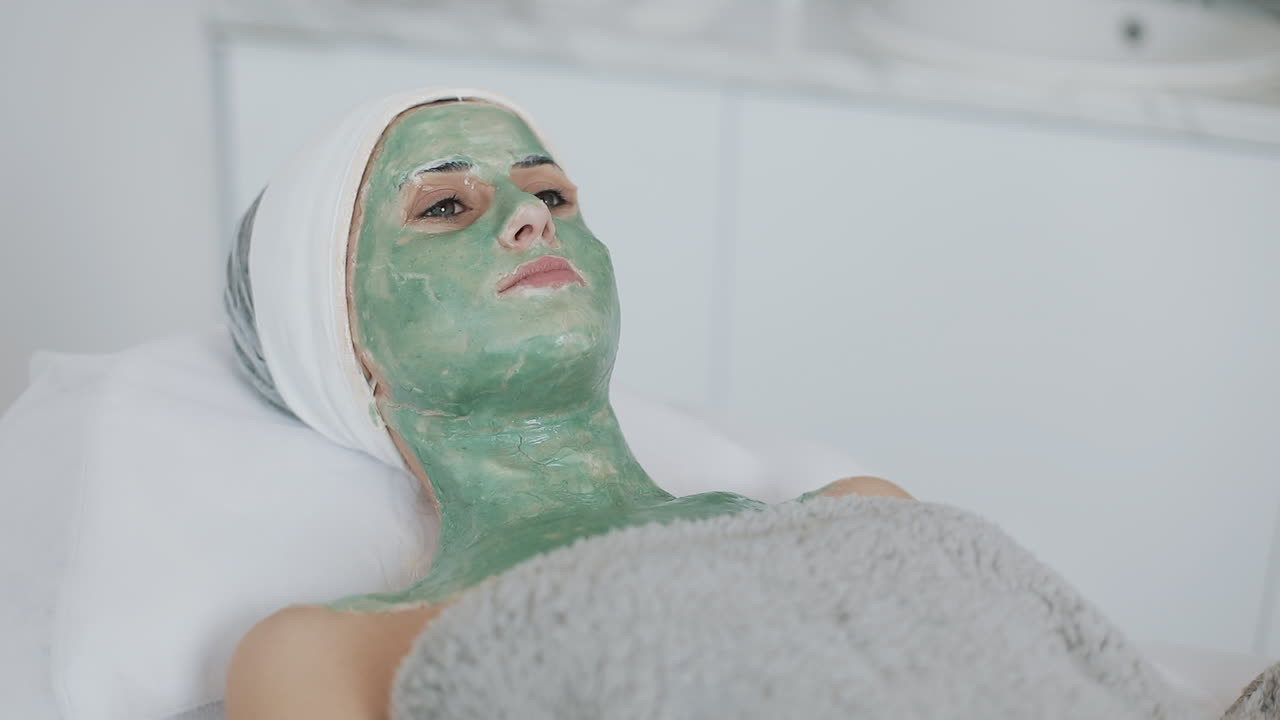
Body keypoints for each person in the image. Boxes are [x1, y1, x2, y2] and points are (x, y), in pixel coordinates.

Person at [221, 89, 911, 719]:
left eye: (550, 195)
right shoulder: (329, 654)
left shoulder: (858, 521)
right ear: (348, 349)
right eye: (444, 207)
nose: (530, 217)